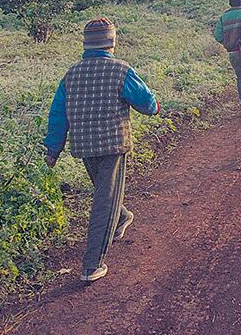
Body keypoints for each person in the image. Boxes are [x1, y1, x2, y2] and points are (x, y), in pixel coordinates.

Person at [42, 18, 160, 282]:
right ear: (112, 42)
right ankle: (92, 264)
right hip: (113, 145)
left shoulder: (71, 74)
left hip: (85, 147)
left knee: (104, 192)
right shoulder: (121, 70)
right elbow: (146, 101)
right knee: (104, 200)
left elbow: (58, 114)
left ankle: (122, 218)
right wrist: (154, 108)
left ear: (86, 44)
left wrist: (52, 149)